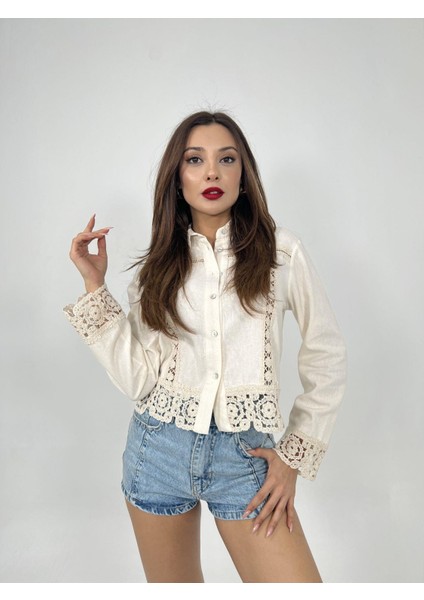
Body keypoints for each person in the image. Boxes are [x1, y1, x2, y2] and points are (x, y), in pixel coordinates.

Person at [63, 111, 347, 583]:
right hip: (157, 453)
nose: (212, 171)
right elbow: (138, 380)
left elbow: (326, 354)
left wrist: (293, 457)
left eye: (226, 159)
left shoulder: (282, 253)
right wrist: (95, 287)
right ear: (178, 179)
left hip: (246, 461)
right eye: (195, 160)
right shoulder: (157, 269)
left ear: (243, 175)